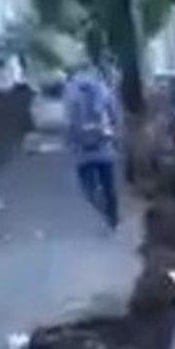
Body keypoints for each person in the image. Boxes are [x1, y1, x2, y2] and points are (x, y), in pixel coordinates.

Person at [65, 65, 121, 230]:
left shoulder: (71, 95)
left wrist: (70, 143)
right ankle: (113, 218)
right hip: (104, 146)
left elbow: (68, 123)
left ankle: (105, 211)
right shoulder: (104, 92)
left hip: (83, 151)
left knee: (88, 188)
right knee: (108, 185)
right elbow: (115, 116)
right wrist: (115, 135)